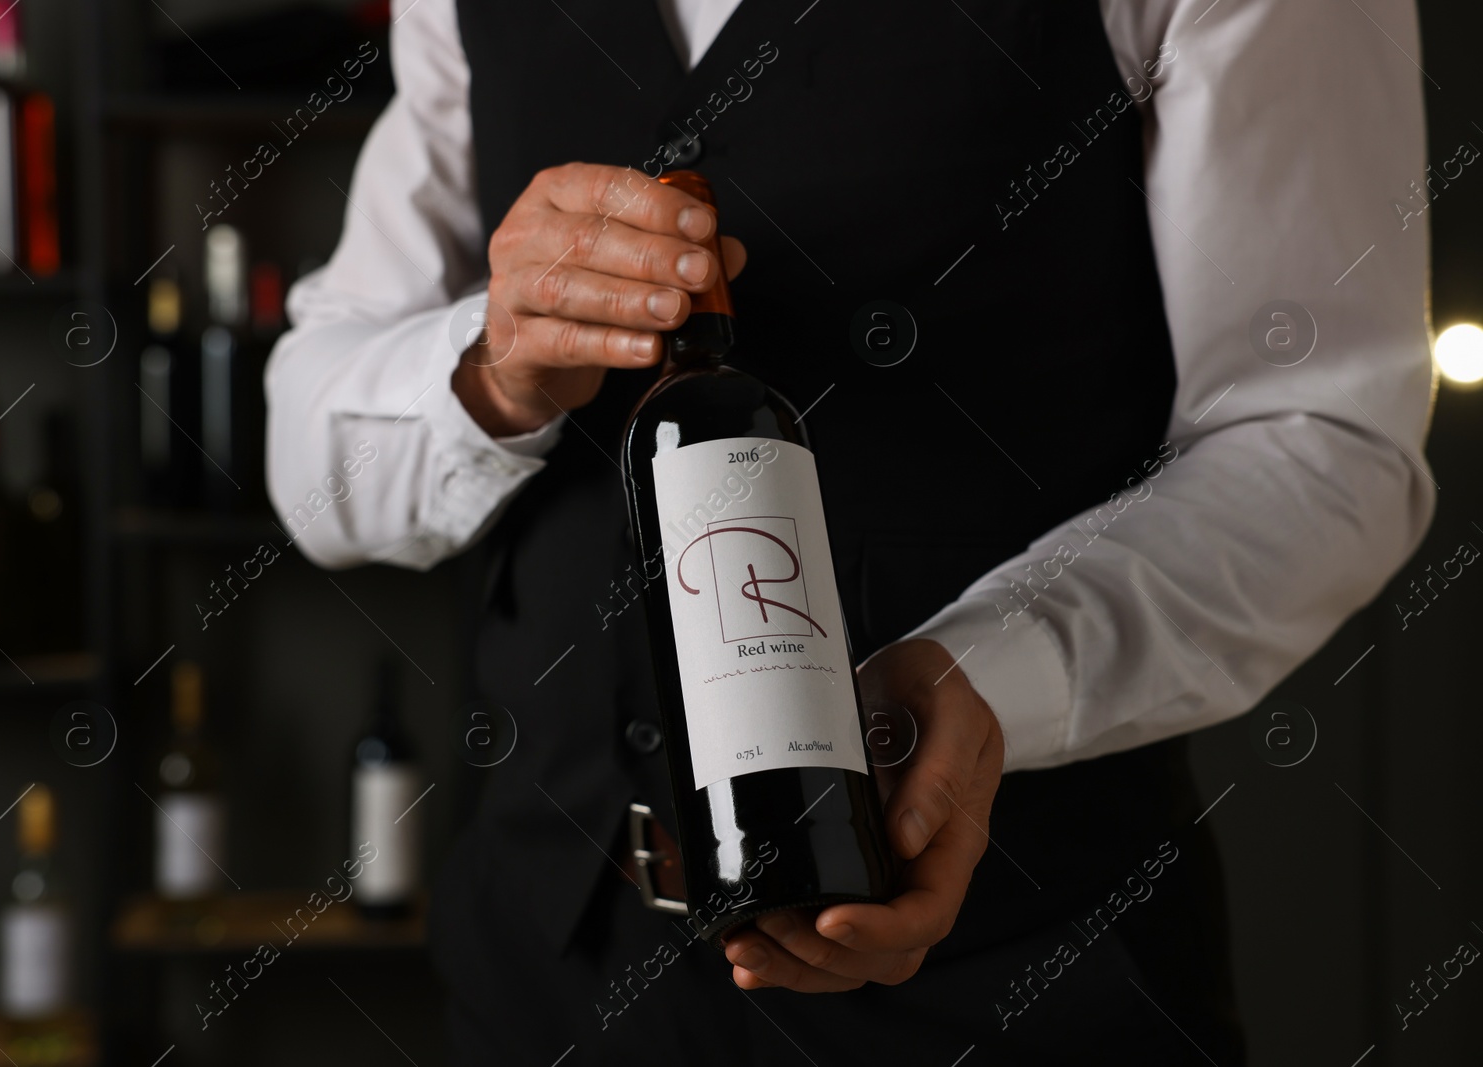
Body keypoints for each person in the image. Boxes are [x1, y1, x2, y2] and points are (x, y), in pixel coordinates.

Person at [265, 0, 1434, 1062]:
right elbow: (315, 474)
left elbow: (1320, 434)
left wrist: (995, 668)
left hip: (1016, 976)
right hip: (547, 966)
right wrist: (491, 368)